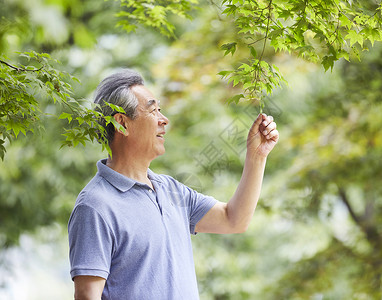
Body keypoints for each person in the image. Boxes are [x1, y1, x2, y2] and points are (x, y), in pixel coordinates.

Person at [68, 69, 279, 300]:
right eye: (153, 110)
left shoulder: (171, 190)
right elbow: (88, 296)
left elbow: (234, 219)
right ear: (121, 123)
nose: (163, 119)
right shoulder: (95, 206)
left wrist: (257, 156)